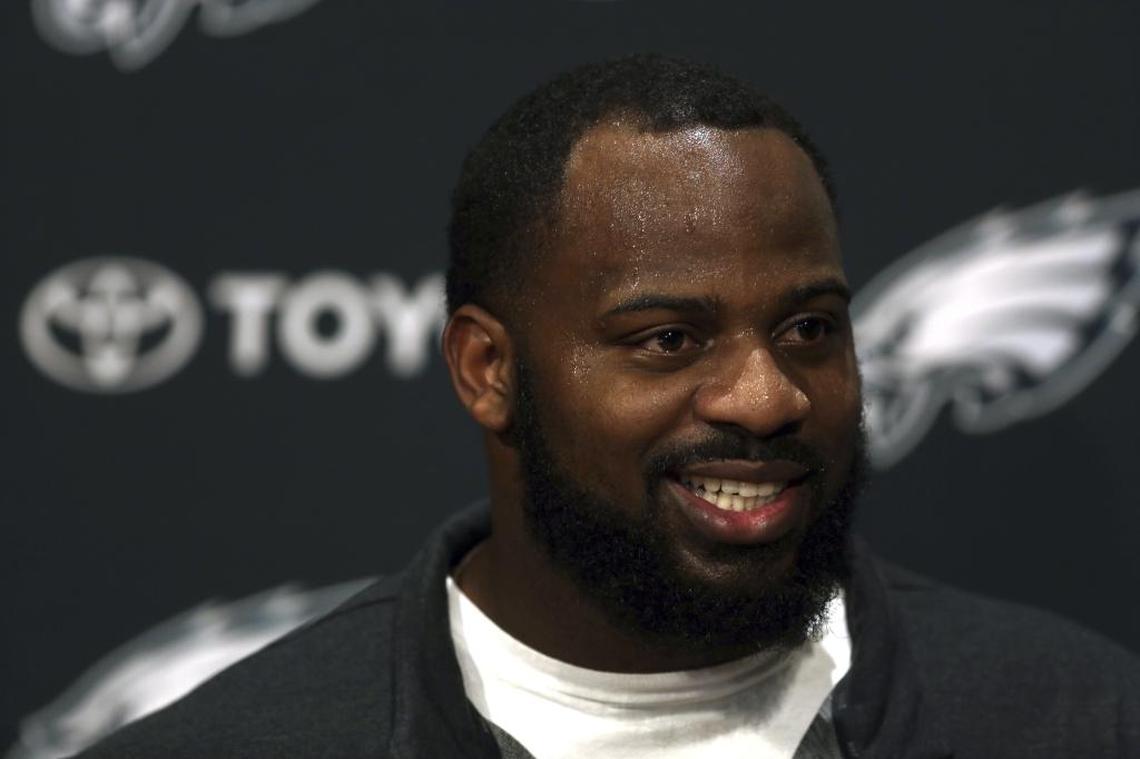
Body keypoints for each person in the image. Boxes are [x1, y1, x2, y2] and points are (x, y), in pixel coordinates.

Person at [75, 54, 1139, 759]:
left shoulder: (1072, 719)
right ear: (487, 369)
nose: (766, 397)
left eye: (809, 328)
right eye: (668, 340)